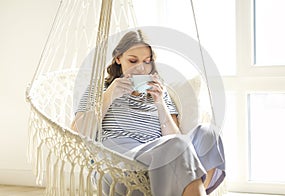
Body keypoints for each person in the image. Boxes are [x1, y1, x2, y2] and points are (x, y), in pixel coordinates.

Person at [72, 30, 225, 196]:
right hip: (119, 164)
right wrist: (109, 95)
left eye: (147, 61)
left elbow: (177, 139)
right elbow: (77, 132)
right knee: (176, 146)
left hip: (160, 159)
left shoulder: (160, 92)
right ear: (118, 58)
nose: (141, 68)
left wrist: (159, 103)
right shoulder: (98, 89)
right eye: (133, 60)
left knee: (208, 134)